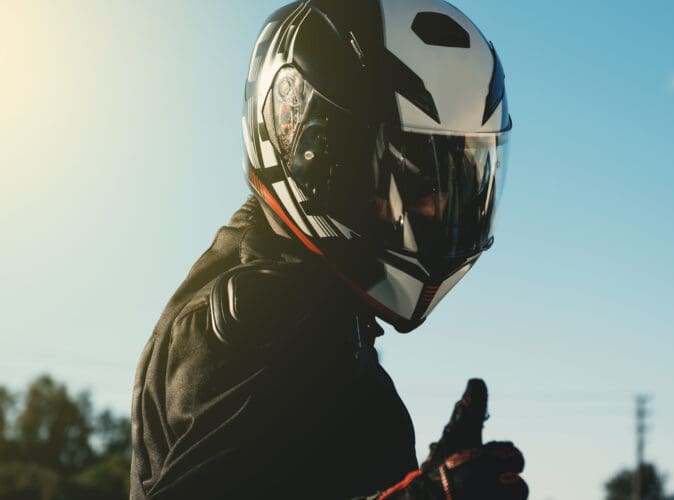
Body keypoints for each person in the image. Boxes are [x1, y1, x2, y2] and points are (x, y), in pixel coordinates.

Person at [129, 0, 526, 498]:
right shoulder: (261, 320)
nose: (441, 210)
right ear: (320, 155)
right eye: (421, 178)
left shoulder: (319, 308)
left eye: (463, 179)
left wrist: (413, 481)